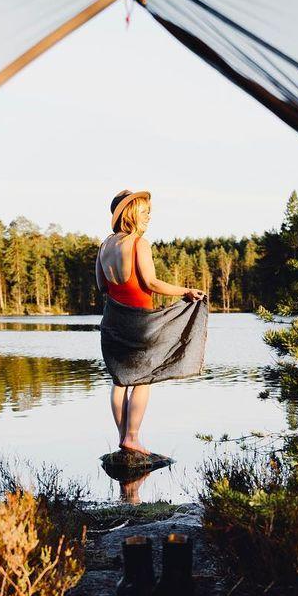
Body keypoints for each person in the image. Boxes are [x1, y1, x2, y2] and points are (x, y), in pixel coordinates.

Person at [95, 189, 206, 454]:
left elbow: (102, 286)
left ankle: (123, 437)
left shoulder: (104, 245)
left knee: (120, 381)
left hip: (112, 320)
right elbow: (151, 283)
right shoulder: (138, 244)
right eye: (145, 212)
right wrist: (186, 291)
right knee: (142, 380)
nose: (148, 217)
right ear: (131, 213)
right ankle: (132, 437)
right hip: (138, 322)